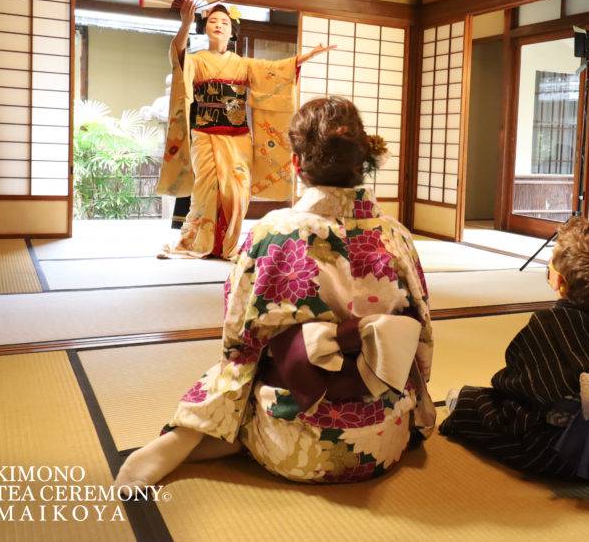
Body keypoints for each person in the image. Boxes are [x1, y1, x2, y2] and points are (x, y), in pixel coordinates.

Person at [116, 97, 434, 487]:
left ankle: (187, 442)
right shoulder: (396, 235)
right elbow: (422, 335)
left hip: (292, 442)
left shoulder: (272, 231)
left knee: (235, 364)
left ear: (297, 164)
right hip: (386, 440)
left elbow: (239, 341)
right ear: (363, 161)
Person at [439, 218, 589, 512]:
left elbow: (522, 384)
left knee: (481, 403)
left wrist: (504, 386)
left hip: (556, 452)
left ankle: (464, 404)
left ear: (558, 280)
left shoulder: (547, 323)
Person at [157, 0, 334, 259]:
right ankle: (195, 242)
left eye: (225, 23)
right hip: (205, 134)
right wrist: (184, 24)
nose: (218, 25)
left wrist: (302, 58)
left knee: (238, 193)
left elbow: (275, 70)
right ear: (204, 28)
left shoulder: (244, 64)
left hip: (237, 135)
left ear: (232, 32)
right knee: (206, 190)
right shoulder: (197, 60)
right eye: (213, 22)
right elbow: (178, 56)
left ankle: (227, 244)